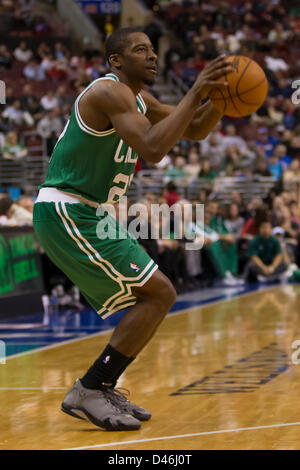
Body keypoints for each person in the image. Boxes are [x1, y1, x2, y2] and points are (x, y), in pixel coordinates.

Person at [33, 27, 233, 431]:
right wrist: (196, 90)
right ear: (116, 61)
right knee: (159, 293)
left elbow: (192, 129)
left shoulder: (139, 99)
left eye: (154, 50)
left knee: (159, 295)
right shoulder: (108, 92)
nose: (153, 56)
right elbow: (154, 149)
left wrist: (223, 102)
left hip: (93, 214)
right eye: (141, 50)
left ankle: (99, 385)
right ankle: (91, 388)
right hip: (68, 208)